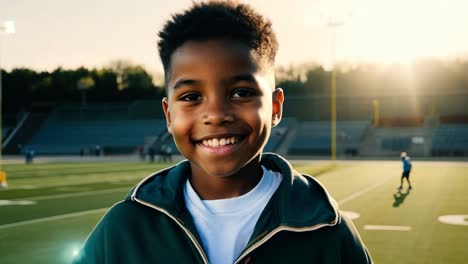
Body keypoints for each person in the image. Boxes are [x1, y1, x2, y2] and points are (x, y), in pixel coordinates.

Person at [73, 1, 372, 263]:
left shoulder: (328, 233)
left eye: (241, 92)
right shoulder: (124, 229)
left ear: (275, 107)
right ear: (168, 114)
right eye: (191, 97)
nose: (215, 115)